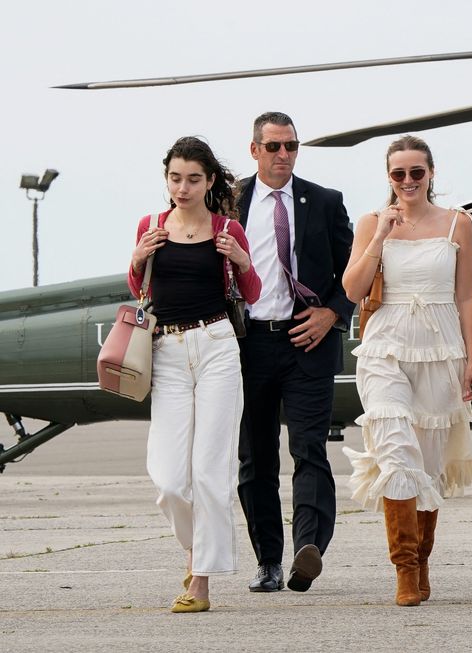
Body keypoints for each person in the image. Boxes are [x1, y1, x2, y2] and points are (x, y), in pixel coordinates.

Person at [341, 134, 472, 606]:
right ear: (389, 178)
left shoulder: (457, 223)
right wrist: (381, 237)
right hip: (385, 346)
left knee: (426, 465)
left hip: (440, 348)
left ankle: (423, 561)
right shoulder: (371, 222)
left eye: (416, 173)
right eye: (398, 174)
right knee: (396, 449)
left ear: (431, 175)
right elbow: (351, 289)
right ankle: (404, 570)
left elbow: (467, 295)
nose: (407, 181)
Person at [128, 136, 261, 613]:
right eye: (175, 178)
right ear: (166, 179)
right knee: (168, 478)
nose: (182, 187)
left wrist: (243, 260)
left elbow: (252, 289)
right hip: (167, 350)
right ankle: (195, 548)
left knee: (209, 471)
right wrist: (140, 257)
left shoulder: (227, 228)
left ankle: (199, 578)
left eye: (193, 179)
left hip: (217, 346)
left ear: (209, 182)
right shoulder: (151, 226)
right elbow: (137, 284)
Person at [236, 112, 355, 593]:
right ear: (255, 150)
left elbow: (356, 273)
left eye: (291, 146)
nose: (283, 155)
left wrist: (332, 313)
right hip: (249, 345)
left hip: (309, 340)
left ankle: (308, 550)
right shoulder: (228, 200)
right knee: (255, 457)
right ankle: (268, 561)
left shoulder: (325, 202)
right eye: (273, 147)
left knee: (309, 449)